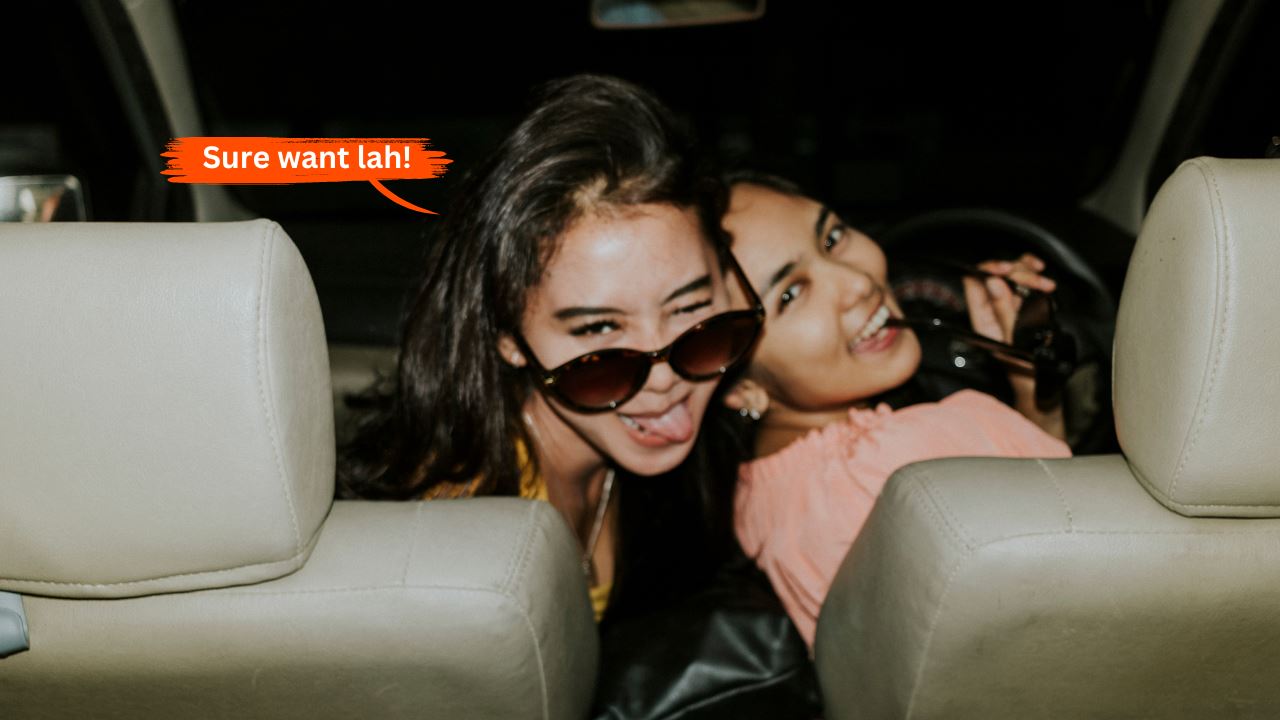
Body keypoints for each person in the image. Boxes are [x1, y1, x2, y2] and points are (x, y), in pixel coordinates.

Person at [339, 75, 762, 623]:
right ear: (509, 339)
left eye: (688, 310)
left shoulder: (706, 424)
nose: (664, 378)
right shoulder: (458, 529)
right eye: (597, 333)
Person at [717, 173, 1072, 647]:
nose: (858, 283)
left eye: (833, 237)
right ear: (741, 388)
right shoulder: (900, 460)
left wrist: (1026, 383)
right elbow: (1082, 542)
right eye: (790, 293)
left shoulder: (765, 490)